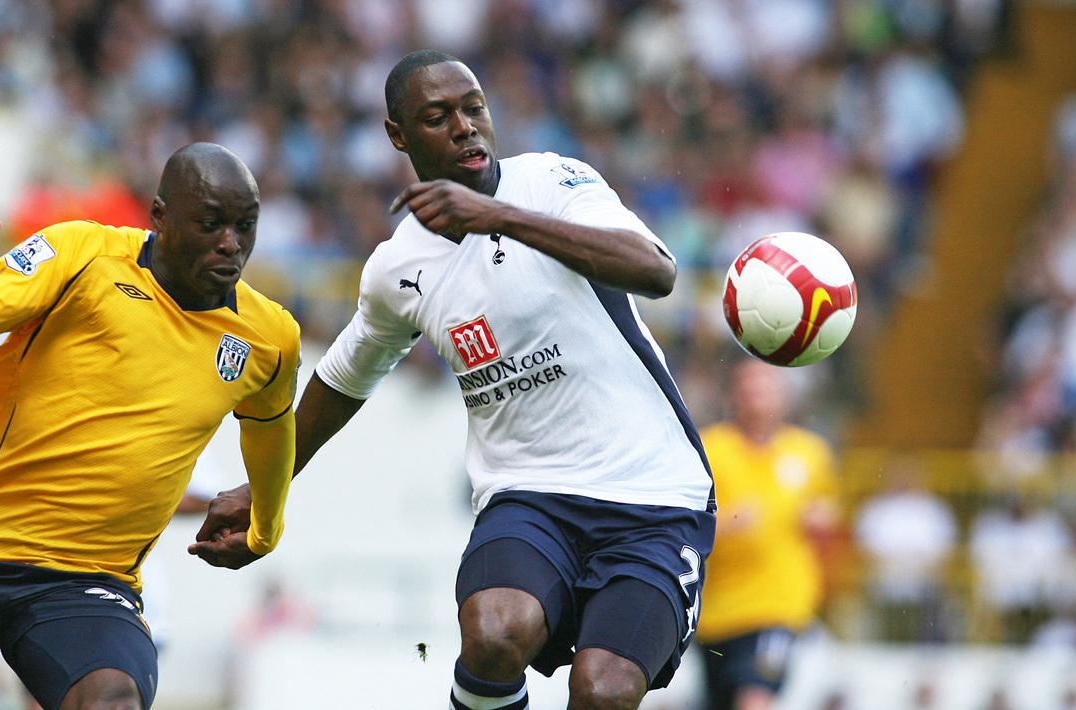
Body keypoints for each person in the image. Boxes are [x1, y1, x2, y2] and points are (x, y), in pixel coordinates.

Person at [190, 50, 716, 709]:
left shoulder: (553, 182)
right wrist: (260, 488)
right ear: (397, 136)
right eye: (438, 117)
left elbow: (656, 271)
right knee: (496, 632)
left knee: (603, 690)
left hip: (654, 497)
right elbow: (343, 380)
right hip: (529, 496)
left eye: (473, 108)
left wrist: (496, 217)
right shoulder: (397, 267)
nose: (465, 127)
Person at [0, 143, 301, 709]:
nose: (231, 244)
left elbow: (269, 430)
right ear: (160, 217)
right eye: (211, 223)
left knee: (112, 701)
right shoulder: (81, 253)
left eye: (245, 225)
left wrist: (267, 524)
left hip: (88, 580)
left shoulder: (269, 337)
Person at [694, 360, 838, 710]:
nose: (757, 396)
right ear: (734, 395)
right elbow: (692, 522)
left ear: (783, 397)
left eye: (766, 387)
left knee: (755, 699)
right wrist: (731, 522)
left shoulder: (809, 452)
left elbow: (829, 515)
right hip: (718, 613)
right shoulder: (712, 447)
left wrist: (822, 520)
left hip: (779, 607)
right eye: (749, 387)